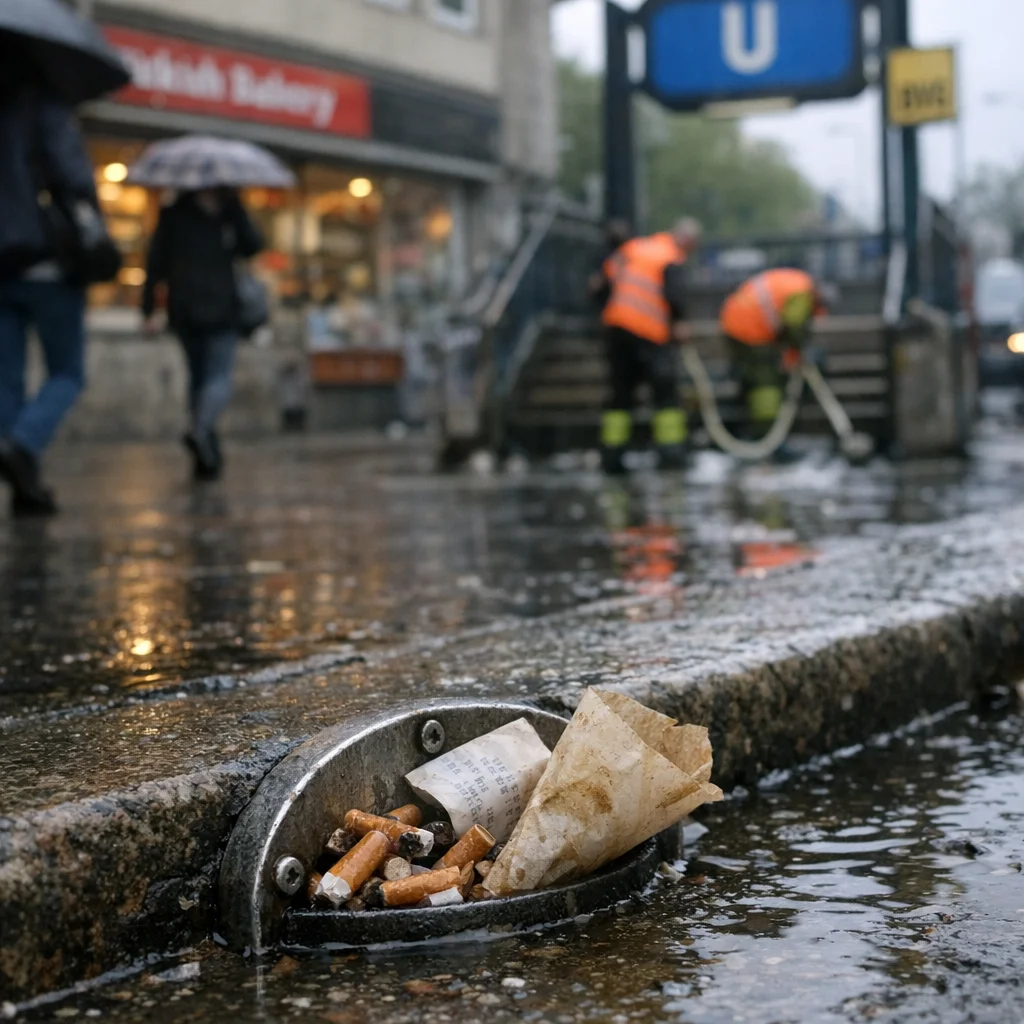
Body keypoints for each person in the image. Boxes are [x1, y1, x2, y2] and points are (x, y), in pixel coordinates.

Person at [0, 61, 99, 516]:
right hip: (47, 261)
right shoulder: (44, 108)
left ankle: (24, 483)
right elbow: (74, 179)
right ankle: (22, 446)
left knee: (7, 380)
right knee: (68, 371)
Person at [142, 188, 264, 481]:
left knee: (201, 380)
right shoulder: (204, 212)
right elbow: (156, 261)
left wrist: (147, 308)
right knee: (216, 377)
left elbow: (253, 245)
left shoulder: (201, 213)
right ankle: (202, 430)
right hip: (213, 308)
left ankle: (207, 451)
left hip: (189, 308)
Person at [599, 217, 702, 475]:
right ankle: (671, 454)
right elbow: (674, 295)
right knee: (665, 394)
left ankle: (613, 455)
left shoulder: (634, 248)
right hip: (649, 333)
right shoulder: (670, 256)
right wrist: (679, 323)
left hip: (617, 331)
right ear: (687, 242)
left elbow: (601, 283)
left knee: (620, 396)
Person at [719, 268, 829, 464]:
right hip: (749, 327)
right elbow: (794, 325)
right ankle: (768, 438)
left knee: (753, 376)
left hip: (736, 320)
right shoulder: (801, 292)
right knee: (766, 384)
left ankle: (756, 432)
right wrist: (800, 348)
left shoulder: (796, 282)